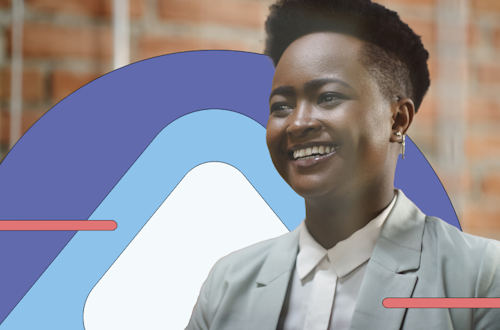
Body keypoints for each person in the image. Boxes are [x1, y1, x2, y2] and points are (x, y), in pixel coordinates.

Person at [186, 0, 500, 329]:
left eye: (328, 97)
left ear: (397, 120)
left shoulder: (479, 277)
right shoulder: (227, 285)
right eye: (281, 106)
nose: (297, 123)